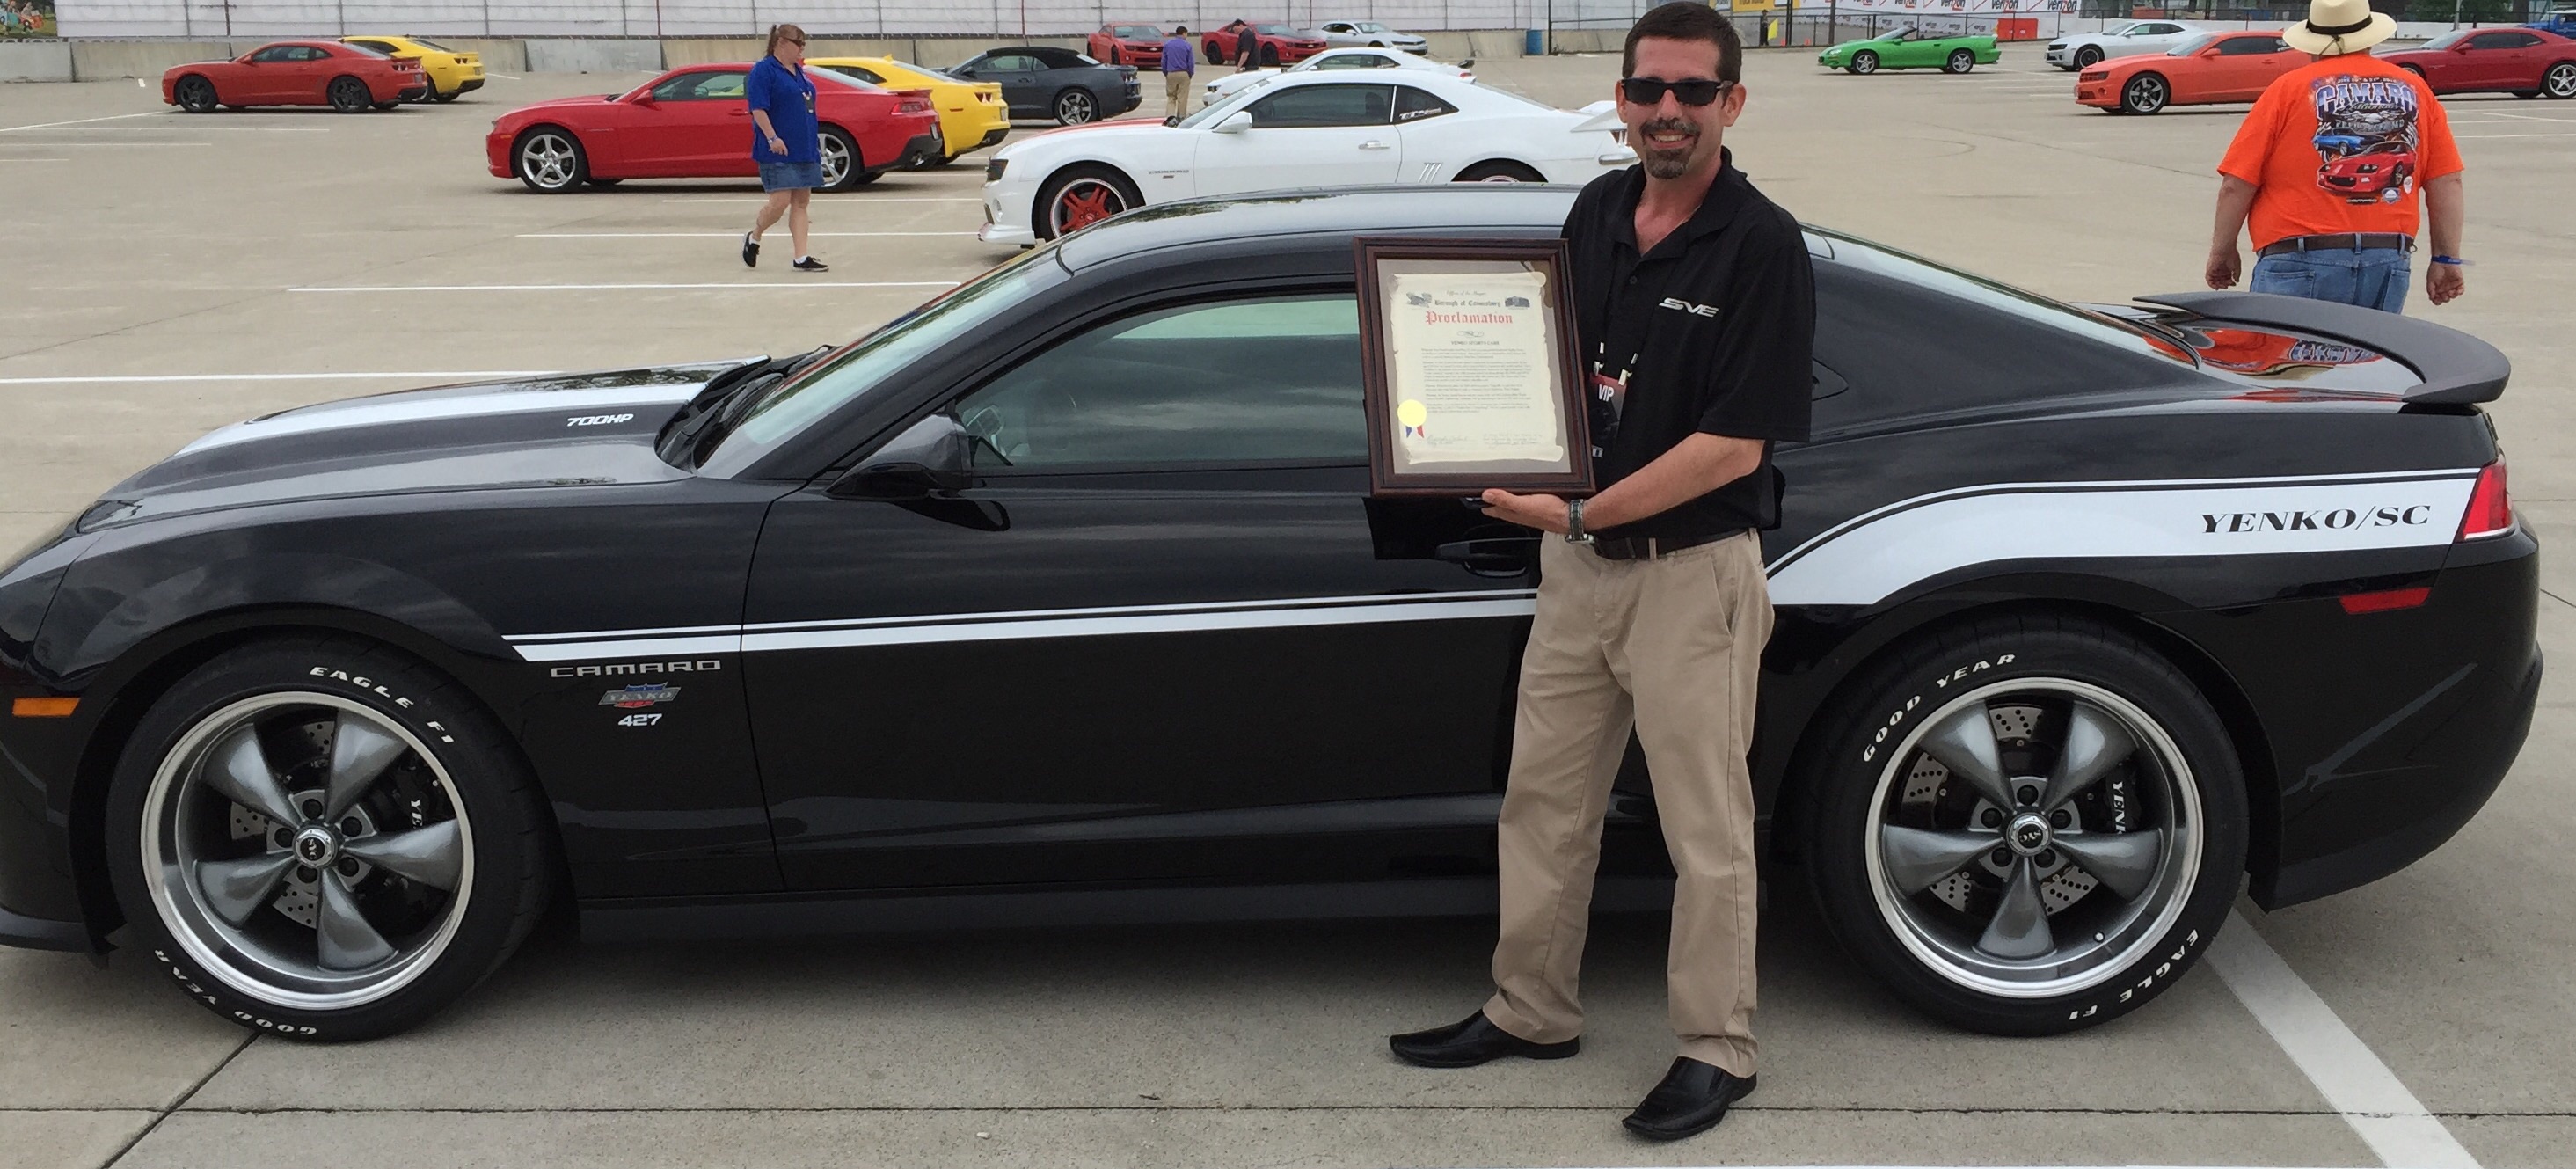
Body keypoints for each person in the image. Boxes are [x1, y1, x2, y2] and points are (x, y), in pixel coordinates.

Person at [1385, 0, 1813, 1146]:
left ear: (1730, 102)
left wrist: (1578, 510)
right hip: (1577, 572)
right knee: (1545, 803)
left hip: (1690, 575)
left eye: (1691, 91)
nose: (1666, 110)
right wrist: (1447, 423)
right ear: (1619, 101)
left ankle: (1716, 1046)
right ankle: (1530, 1009)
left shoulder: (1761, 245)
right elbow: (1537, 365)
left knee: (1705, 827)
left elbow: (1734, 445)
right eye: (1646, 90)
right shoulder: (1594, 212)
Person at [2204, 0, 2464, 312]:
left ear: (2314, 43)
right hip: (2386, 258)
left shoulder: (2288, 89)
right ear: (2369, 39)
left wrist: (2222, 251)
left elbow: (2237, 184)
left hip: (2297, 256)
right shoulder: (2416, 89)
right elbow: (2447, 181)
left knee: (2285, 346)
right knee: (2367, 346)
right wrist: (2445, 258)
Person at [742, 22, 828, 273]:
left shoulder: (799, 72)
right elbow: (758, 108)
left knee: (801, 202)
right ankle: (755, 235)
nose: (802, 49)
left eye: (803, 44)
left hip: (804, 147)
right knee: (779, 202)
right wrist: (772, 137)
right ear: (781, 43)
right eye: (798, 44)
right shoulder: (764, 71)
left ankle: (801, 256)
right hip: (778, 148)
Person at [1162, 26, 1195, 117]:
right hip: (1184, 73)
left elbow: (1164, 61)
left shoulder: (1168, 45)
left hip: (1171, 73)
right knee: (1182, 98)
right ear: (1184, 33)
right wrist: (1190, 73)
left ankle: (1170, 116)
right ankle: (1181, 117)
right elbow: (1191, 62)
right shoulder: (1187, 45)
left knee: (1171, 97)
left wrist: (1166, 73)